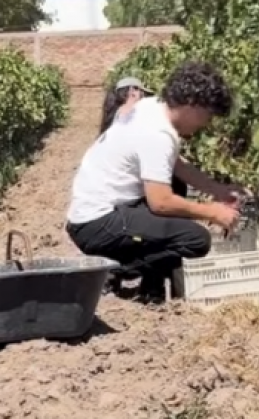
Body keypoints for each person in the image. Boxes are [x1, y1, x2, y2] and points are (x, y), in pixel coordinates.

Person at [66, 61, 245, 302]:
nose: (206, 124)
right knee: (195, 240)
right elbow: (160, 203)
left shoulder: (152, 107)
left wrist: (217, 190)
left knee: (176, 188)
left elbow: (175, 164)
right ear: (193, 104)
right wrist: (212, 212)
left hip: (92, 215)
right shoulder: (158, 134)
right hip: (98, 223)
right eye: (208, 116)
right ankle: (108, 271)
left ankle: (152, 285)